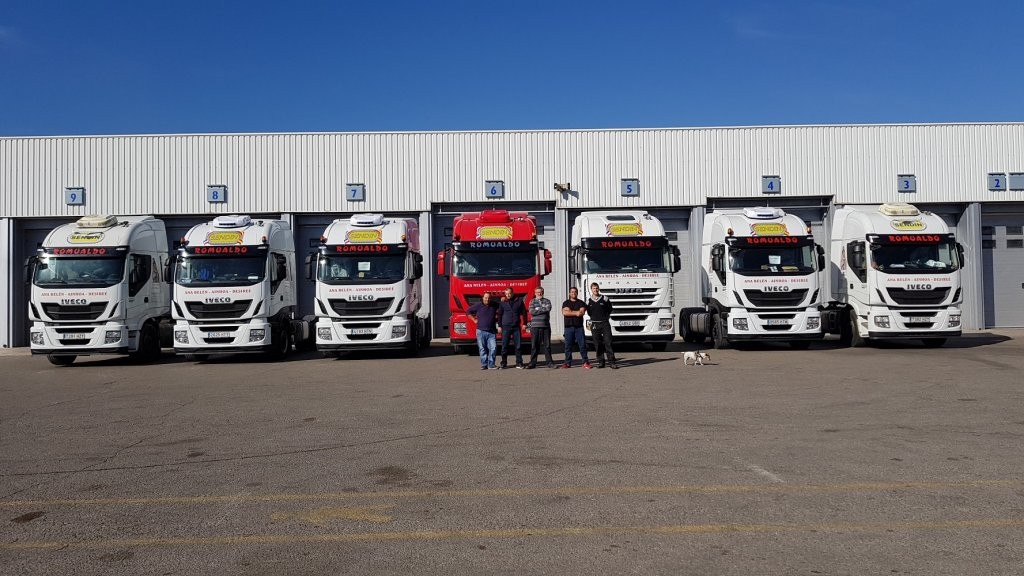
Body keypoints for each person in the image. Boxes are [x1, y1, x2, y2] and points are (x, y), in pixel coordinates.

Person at [587, 282, 618, 369]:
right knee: (597, 344)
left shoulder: (605, 298)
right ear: (591, 289)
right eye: (593, 288)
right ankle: (601, 362)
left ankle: (612, 362)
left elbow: (610, 309)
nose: (595, 290)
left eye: (596, 288)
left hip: (604, 323)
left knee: (608, 342)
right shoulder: (589, 300)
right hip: (594, 324)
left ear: (599, 289)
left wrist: (605, 317)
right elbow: (589, 312)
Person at [466, 292, 500, 370]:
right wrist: (474, 319)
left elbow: (502, 308)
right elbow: (468, 311)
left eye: (489, 298)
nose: (487, 299)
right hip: (480, 331)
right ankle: (484, 364)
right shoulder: (478, 305)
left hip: (491, 331)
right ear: (483, 298)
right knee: (482, 349)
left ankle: (491, 365)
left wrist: (503, 300)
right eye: (486, 298)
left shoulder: (494, 304)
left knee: (493, 348)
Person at [560, 286, 591, 369]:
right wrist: (576, 312)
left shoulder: (581, 302)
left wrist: (570, 311)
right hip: (568, 327)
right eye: (572, 292)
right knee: (568, 346)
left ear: (577, 293)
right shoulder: (565, 303)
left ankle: (585, 362)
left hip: (579, 327)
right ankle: (567, 363)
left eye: (575, 292)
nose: (573, 293)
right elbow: (565, 313)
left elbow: (581, 313)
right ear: (569, 293)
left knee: (582, 345)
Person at [498, 286, 527, 369]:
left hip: (516, 327)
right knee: (504, 346)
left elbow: (524, 312)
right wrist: (499, 326)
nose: (508, 295)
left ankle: (519, 363)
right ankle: (504, 363)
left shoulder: (519, 301)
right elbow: (499, 315)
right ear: (505, 294)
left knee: (518, 346)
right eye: (506, 294)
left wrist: (524, 323)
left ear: (512, 293)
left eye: (510, 293)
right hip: (505, 327)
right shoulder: (502, 302)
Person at [526, 286, 554, 369]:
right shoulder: (532, 301)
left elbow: (548, 308)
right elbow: (531, 311)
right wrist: (542, 309)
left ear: (543, 292)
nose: (539, 293)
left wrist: (538, 309)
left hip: (545, 327)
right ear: (535, 293)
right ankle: (532, 363)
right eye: (537, 292)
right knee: (534, 346)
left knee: (547, 345)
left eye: (541, 292)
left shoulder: (547, 301)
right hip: (535, 327)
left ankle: (549, 363)